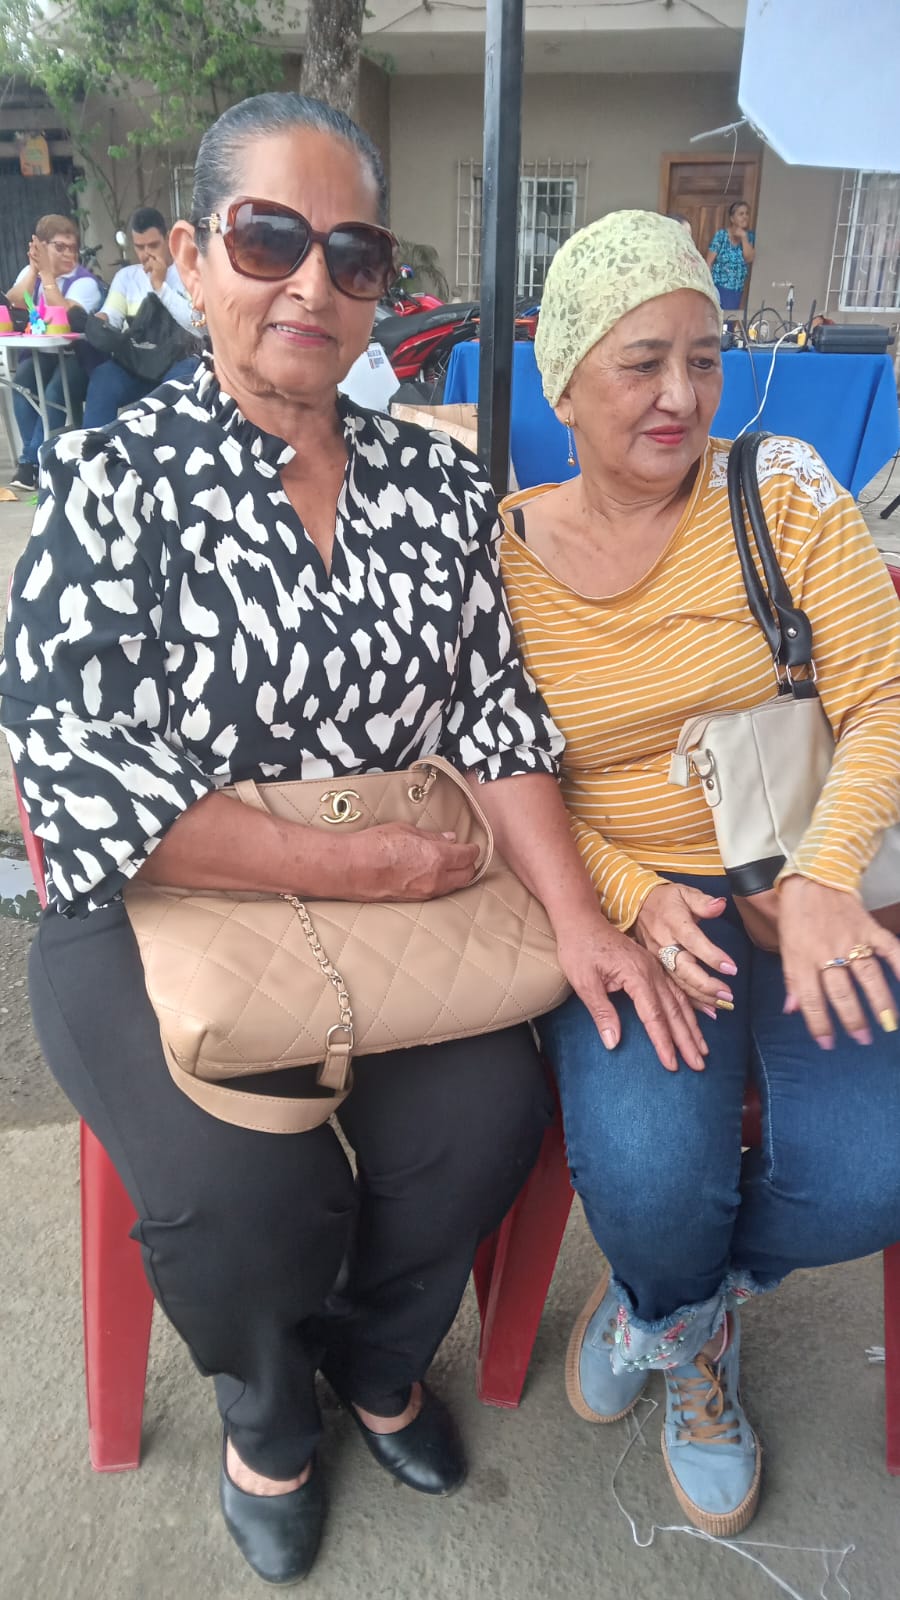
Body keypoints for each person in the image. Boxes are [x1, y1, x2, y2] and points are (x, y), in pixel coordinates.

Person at [0, 105, 702, 1586]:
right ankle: (268, 1412)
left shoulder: (436, 488)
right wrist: (346, 865)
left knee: (482, 1118)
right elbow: (71, 771)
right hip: (156, 907)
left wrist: (581, 922)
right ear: (193, 259)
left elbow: (497, 716)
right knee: (254, 1187)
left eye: (355, 254)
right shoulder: (109, 481)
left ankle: (380, 1362)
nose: (311, 284)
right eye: (269, 239)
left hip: (402, 910)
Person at [499, 210, 900, 1537]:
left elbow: (885, 695)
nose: (682, 394)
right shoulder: (500, 558)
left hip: (797, 876)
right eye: (642, 363)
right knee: (652, 1179)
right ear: (564, 385)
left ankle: (672, 1318)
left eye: (705, 358)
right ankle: (679, 1308)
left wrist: (829, 871)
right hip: (629, 905)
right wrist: (623, 889)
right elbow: (496, 772)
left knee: (876, 1164)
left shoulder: (779, 491)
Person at [5, 213, 104, 490]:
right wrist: (35, 270)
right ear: (41, 246)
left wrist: (48, 276)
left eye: (72, 247)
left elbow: (64, 317)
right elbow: (13, 303)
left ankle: (32, 463)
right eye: (60, 247)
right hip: (41, 355)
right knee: (22, 383)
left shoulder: (84, 282)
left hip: (79, 358)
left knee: (53, 392)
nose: (69, 254)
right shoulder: (31, 274)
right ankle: (34, 459)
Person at [81, 206, 198, 427]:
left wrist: (160, 286)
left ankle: (163, 444)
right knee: (103, 378)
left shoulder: (188, 274)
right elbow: (112, 315)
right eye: (140, 247)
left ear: (168, 239)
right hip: (139, 363)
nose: (146, 254)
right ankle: (94, 444)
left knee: (180, 381)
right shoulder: (126, 277)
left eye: (153, 245)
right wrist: (100, 322)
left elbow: (197, 324)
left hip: (178, 361)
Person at [706, 200, 755, 310]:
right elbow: (709, 262)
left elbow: (749, 258)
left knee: (731, 319)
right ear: (732, 218)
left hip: (737, 290)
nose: (745, 217)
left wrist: (744, 237)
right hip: (718, 287)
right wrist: (708, 287)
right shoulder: (721, 236)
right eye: (741, 214)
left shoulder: (750, 237)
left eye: (747, 214)